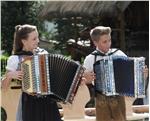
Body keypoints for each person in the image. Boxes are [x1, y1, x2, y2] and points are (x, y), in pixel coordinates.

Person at [82, 26, 148, 121]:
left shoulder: (118, 54)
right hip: (101, 98)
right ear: (95, 42)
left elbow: (131, 72)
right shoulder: (90, 59)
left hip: (119, 96)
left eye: (109, 40)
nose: (108, 44)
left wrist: (142, 73)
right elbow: (85, 80)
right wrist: (86, 79)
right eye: (104, 42)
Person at [1, 24, 62, 121]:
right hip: (30, 104)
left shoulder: (44, 53)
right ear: (24, 41)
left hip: (49, 102)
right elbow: (3, 87)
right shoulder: (15, 59)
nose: (38, 41)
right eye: (34, 39)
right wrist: (9, 75)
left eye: (37, 37)